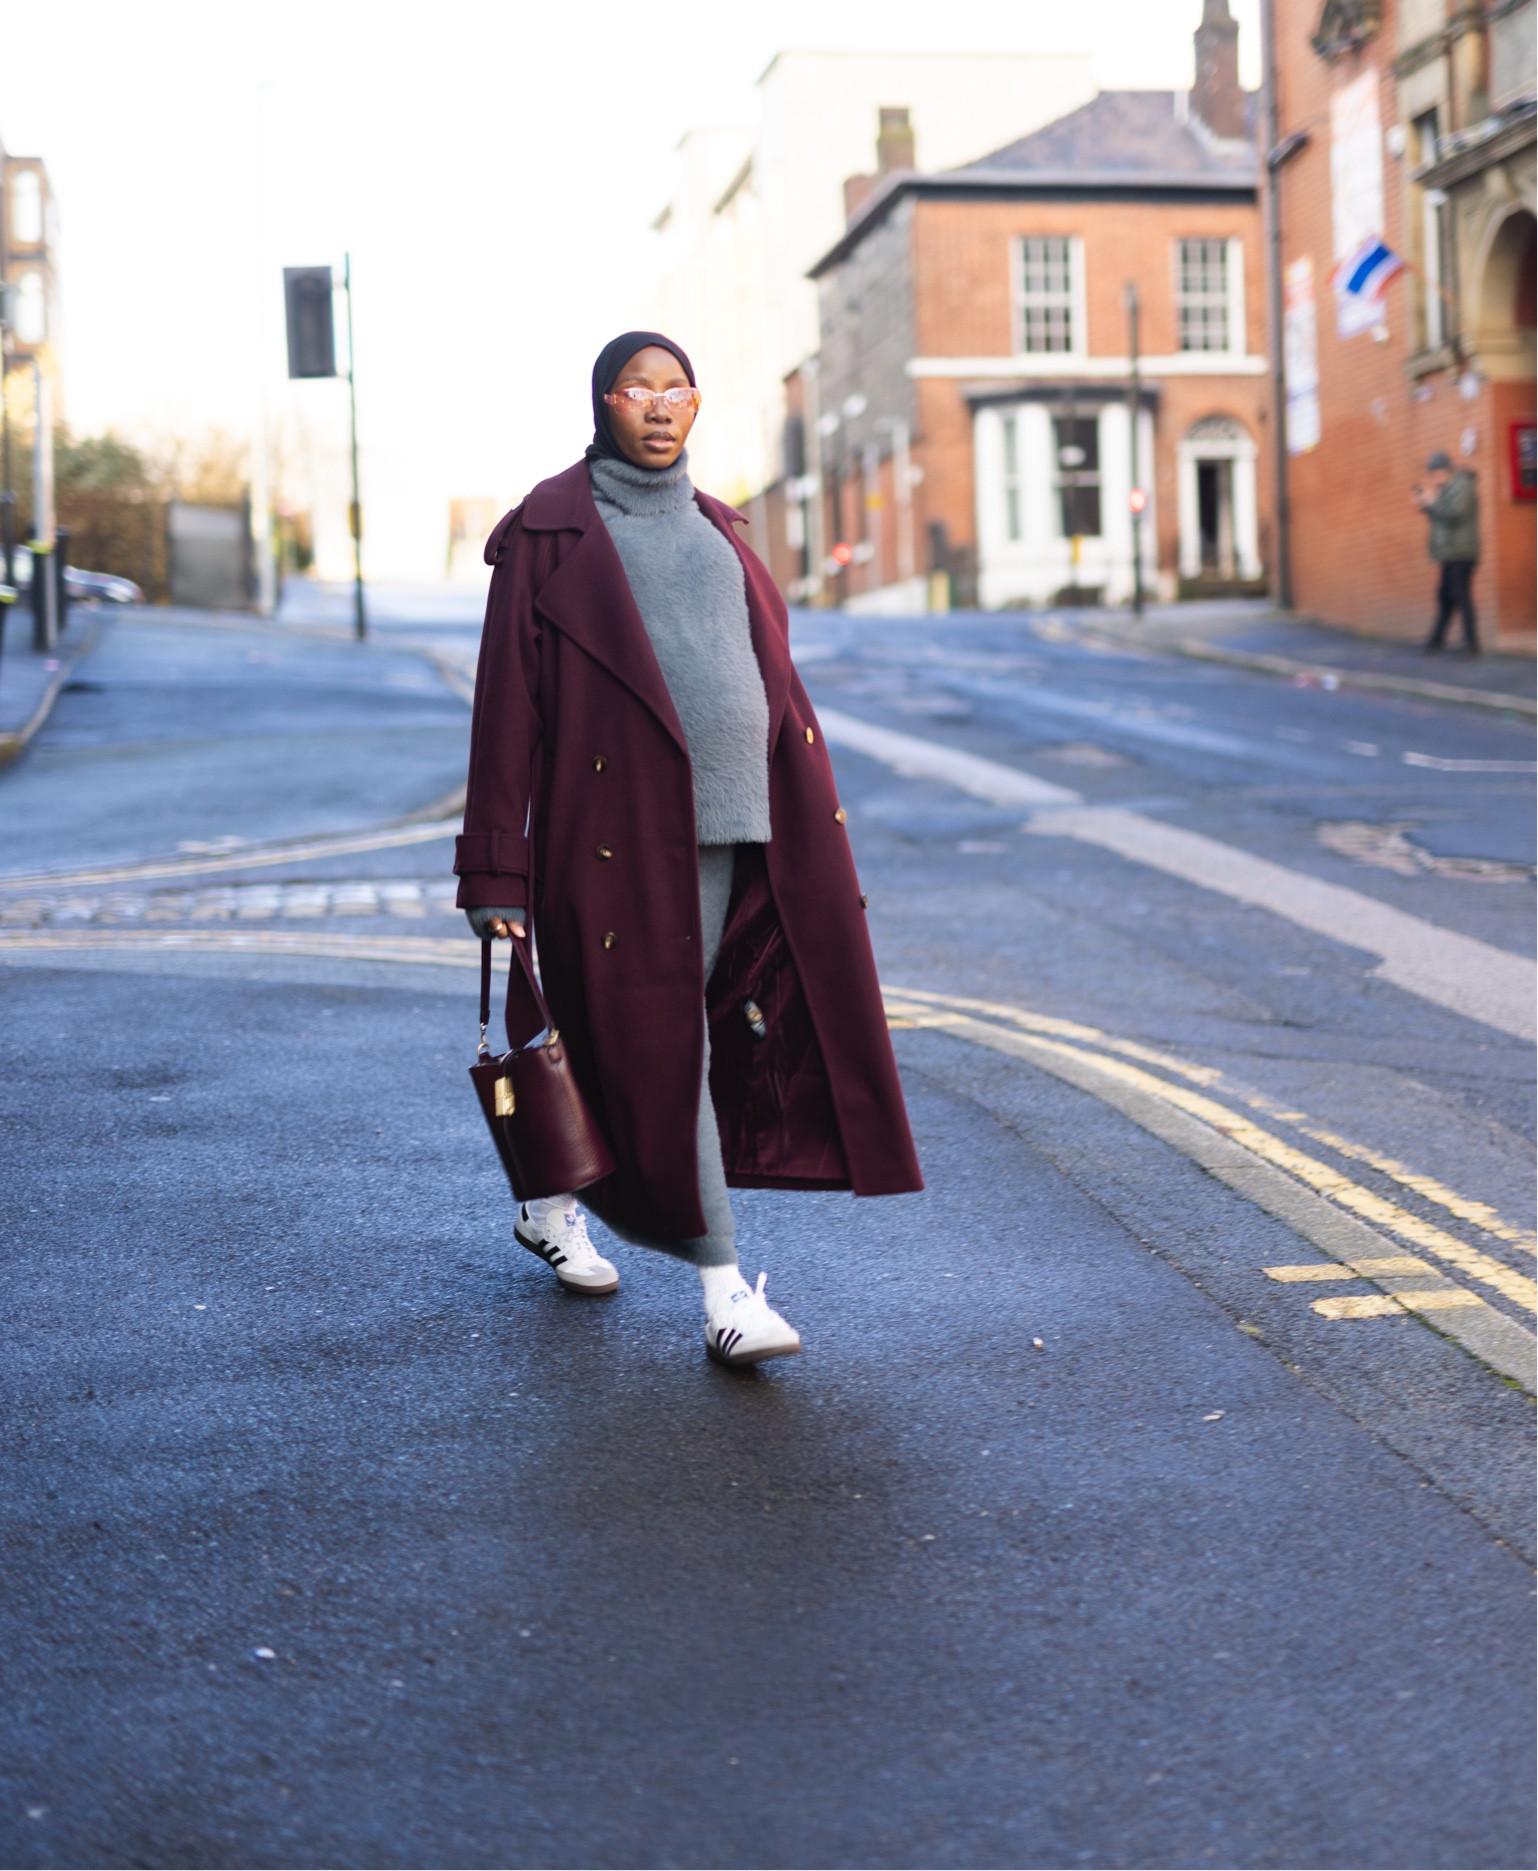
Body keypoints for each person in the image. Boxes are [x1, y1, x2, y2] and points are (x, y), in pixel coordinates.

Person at [455, 330, 922, 1367]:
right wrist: (494, 869)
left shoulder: (723, 531)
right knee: (662, 1049)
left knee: (648, 1043)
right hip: (608, 842)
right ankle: (723, 1291)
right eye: (638, 391)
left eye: (678, 392)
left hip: (744, 832)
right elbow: (503, 715)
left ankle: (545, 1198)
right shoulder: (547, 531)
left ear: (697, 407)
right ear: (604, 404)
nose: (660, 409)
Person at [1413, 450, 1481, 653]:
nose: (1434, 479)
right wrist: (1427, 505)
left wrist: (1432, 503)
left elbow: (1456, 513)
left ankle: (1471, 643)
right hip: (1450, 552)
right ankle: (1437, 640)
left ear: (1444, 470)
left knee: (1460, 595)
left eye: (1435, 474)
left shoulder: (1462, 485)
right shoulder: (1448, 488)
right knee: (1445, 596)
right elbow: (1441, 517)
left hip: (1461, 551)